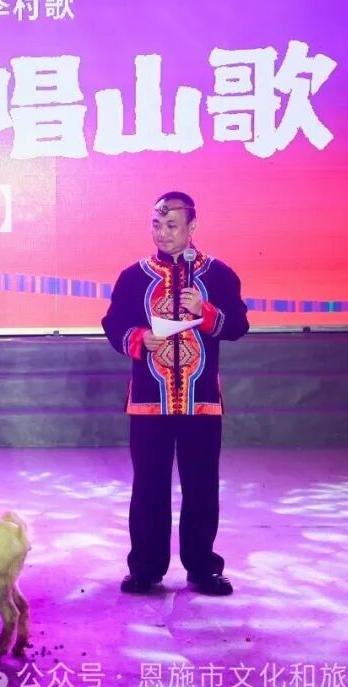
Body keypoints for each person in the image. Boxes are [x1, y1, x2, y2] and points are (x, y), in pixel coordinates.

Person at [101, 191, 248, 596]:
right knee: (148, 485)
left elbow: (238, 325)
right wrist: (138, 338)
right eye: (156, 224)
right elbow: (113, 324)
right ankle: (145, 568)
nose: (162, 233)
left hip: (201, 400)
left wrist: (207, 311)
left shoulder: (219, 275)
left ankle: (202, 568)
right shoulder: (134, 276)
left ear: (191, 227)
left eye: (171, 225)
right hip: (151, 400)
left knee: (202, 485)